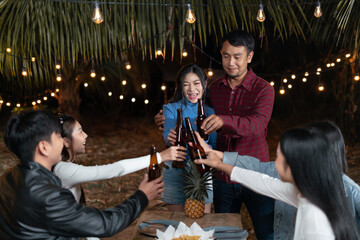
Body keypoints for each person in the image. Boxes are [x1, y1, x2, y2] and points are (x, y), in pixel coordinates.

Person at [155, 30, 275, 240]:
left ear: (249, 56)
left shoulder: (263, 89)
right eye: (226, 55)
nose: (231, 63)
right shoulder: (214, 89)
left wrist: (223, 121)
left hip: (254, 171)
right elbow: (192, 112)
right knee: (222, 233)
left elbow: (257, 124)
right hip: (220, 176)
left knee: (266, 232)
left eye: (237, 56)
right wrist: (164, 119)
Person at [0, 110, 164, 239]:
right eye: (58, 136)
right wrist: (142, 196)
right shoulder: (48, 197)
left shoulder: (8, 177)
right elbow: (105, 225)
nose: (62, 141)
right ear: (44, 147)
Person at [196, 120, 360, 239]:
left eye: (280, 156)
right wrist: (219, 162)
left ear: (298, 163)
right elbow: (261, 180)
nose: (274, 162)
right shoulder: (305, 193)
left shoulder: (315, 220)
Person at [54, 113, 186, 204]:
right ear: (66, 142)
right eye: (80, 131)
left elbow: (78, 216)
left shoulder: (65, 165)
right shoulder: (63, 170)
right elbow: (114, 170)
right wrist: (161, 156)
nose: (86, 135)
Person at [161, 63, 217, 213]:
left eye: (196, 83)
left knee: (202, 223)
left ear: (204, 84)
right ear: (180, 87)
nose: (192, 90)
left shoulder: (211, 112)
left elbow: (214, 144)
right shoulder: (171, 108)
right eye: (186, 85)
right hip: (176, 170)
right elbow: (168, 133)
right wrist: (170, 136)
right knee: (176, 223)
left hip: (201, 171)